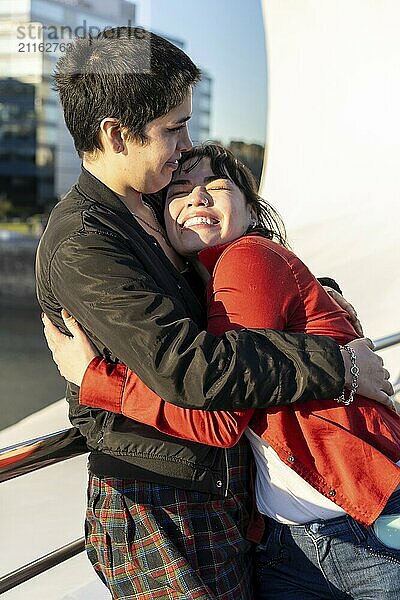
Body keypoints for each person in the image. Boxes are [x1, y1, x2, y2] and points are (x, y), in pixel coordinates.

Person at [37, 28, 392, 600]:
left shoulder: (158, 202)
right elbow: (192, 369)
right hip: (159, 511)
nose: (186, 143)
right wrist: (337, 364)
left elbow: (236, 280)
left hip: (228, 495)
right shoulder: (85, 243)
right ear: (115, 134)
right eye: (173, 128)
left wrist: (317, 300)